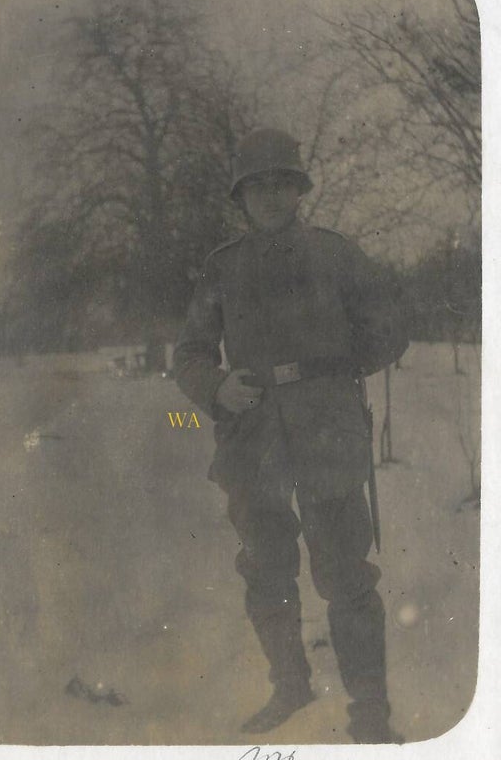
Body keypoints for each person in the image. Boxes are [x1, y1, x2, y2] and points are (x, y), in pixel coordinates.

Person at [172, 128, 408, 742]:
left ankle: (371, 715)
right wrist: (216, 389)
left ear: (299, 190)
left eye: (283, 184)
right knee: (265, 569)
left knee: (346, 573)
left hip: (327, 433)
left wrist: (336, 368)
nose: (272, 197)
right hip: (253, 440)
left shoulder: (336, 254)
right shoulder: (222, 268)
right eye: (258, 187)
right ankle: (291, 687)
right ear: (241, 198)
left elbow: (388, 325)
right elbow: (191, 354)